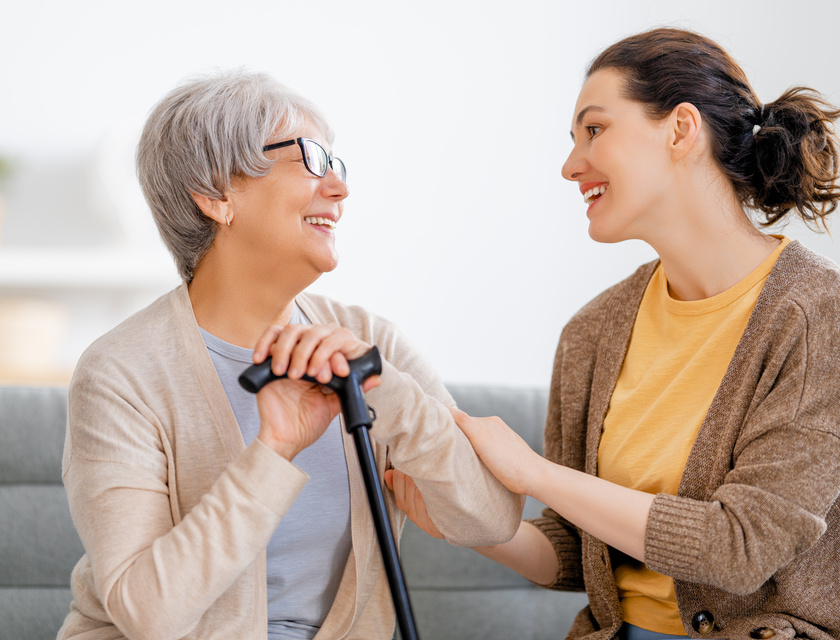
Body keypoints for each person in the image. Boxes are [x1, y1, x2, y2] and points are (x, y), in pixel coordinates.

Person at [387, 28, 840, 639]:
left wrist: (532, 472)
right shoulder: (592, 332)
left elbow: (741, 547)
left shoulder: (818, 318)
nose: (572, 165)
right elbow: (580, 551)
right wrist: (476, 527)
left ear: (682, 129)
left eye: (594, 130)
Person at [58, 71, 521, 640]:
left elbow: (493, 519)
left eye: (336, 164)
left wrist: (386, 393)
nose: (339, 188)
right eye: (310, 158)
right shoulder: (121, 372)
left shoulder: (371, 343)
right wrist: (274, 451)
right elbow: (147, 615)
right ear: (216, 195)